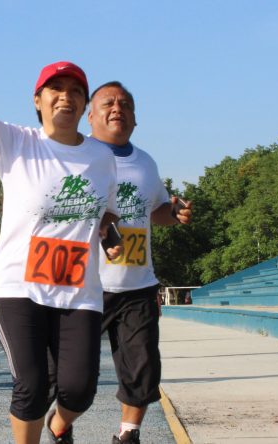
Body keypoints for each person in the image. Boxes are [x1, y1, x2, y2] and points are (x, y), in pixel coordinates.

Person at [0, 6, 122, 443]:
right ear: (38, 99)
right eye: (55, 89)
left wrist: (110, 234)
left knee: (79, 390)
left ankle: (60, 427)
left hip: (79, 291)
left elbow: (106, 211)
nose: (65, 96)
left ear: (84, 103)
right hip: (17, 287)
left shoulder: (102, 158)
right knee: (32, 385)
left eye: (75, 90)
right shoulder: (17, 142)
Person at [87, 81, 192, 443]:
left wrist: (173, 212)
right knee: (72, 378)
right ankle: (60, 426)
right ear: (90, 115)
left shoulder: (145, 162)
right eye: (108, 103)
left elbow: (156, 212)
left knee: (143, 372)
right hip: (86, 286)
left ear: (135, 117)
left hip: (137, 284)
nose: (118, 109)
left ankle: (128, 435)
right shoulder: (77, 157)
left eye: (126, 104)